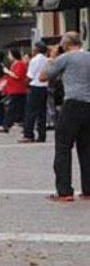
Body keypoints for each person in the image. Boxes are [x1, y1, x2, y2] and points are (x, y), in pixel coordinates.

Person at [39, 32, 90, 202]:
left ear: (65, 44)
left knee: (63, 146)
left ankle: (64, 191)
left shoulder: (66, 58)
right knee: (87, 148)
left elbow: (44, 76)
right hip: (88, 105)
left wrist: (52, 57)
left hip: (72, 104)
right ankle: (88, 189)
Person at [21, 41, 49, 143]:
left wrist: (25, 84)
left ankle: (28, 134)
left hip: (35, 86)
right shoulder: (47, 60)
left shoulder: (34, 60)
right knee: (42, 112)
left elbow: (30, 76)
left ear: (37, 49)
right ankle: (42, 135)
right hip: (44, 87)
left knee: (30, 112)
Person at [0, 48, 28, 133]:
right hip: (13, 89)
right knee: (19, 108)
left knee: (13, 108)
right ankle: (24, 124)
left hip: (18, 89)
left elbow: (17, 76)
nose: (8, 57)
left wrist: (8, 72)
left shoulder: (19, 64)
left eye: (9, 55)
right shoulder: (13, 64)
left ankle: (6, 124)